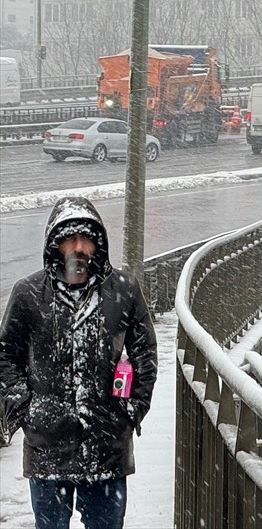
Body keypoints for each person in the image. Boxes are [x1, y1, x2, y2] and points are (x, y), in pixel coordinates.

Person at [0, 196, 157, 529]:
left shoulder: (124, 290)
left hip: (108, 447)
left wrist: (132, 411)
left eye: (86, 238)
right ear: (55, 245)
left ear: (97, 244)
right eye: (70, 239)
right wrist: (25, 406)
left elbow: (145, 353)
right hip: (47, 449)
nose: (79, 247)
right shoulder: (28, 294)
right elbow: (6, 355)